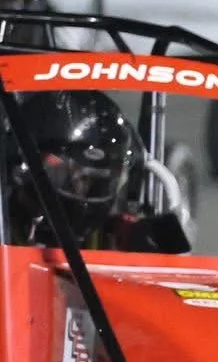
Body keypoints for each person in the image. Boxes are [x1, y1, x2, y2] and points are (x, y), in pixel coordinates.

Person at [5, 91, 187, 251]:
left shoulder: (125, 237)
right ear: (24, 171)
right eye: (73, 177)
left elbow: (179, 273)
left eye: (101, 181)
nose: (87, 189)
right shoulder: (5, 226)